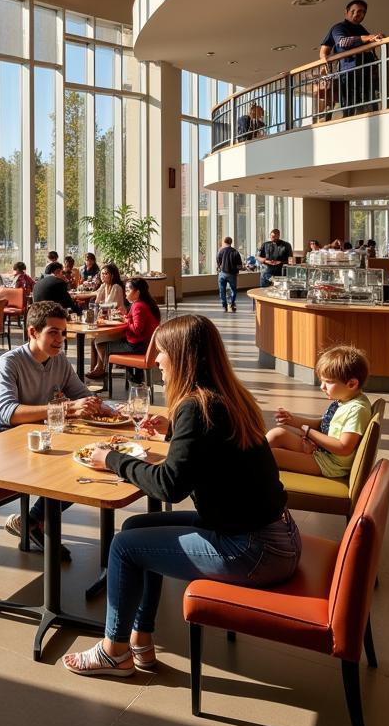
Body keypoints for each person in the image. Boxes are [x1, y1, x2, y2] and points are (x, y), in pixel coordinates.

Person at [62, 314, 299, 678]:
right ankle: (140, 639)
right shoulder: (227, 397)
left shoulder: (195, 406)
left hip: (253, 549)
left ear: (184, 356)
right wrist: (174, 431)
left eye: (162, 352)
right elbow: (214, 451)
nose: (155, 359)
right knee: (136, 527)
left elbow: (170, 485)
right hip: (276, 535)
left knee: (124, 547)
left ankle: (113, 651)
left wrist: (110, 458)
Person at [0, 301, 104, 560]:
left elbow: (81, 394)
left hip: (38, 435)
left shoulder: (58, 362)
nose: (61, 339)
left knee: (85, 463)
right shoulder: (9, 362)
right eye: (53, 332)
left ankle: (31, 521)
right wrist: (67, 408)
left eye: (63, 332)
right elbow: (8, 413)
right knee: (71, 467)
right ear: (33, 333)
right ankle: (34, 523)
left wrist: (112, 411)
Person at [266, 346, 372, 479]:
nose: (322, 387)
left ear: (351, 384)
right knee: (278, 433)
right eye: (322, 381)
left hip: (329, 464)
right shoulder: (346, 399)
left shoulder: (357, 410)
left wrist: (309, 433)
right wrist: (293, 420)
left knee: (273, 456)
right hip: (321, 450)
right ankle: (245, 461)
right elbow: (324, 423)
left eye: (328, 382)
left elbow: (344, 448)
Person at [320, 0, 384, 116]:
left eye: (361, 12)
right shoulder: (339, 28)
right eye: (353, 11)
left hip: (366, 73)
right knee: (349, 107)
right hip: (348, 73)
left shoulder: (361, 29)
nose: (356, 14)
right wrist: (324, 60)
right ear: (346, 12)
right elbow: (342, 42)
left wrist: (375, 38)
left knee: (370, 107)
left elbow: (370, 47)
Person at [105, 278, 160, 383]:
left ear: (137, 292)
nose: (125, 293)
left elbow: (137, 329)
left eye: (128, 290)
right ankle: (136, 376)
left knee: (105, 346)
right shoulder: (147, 303)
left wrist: (125, 319)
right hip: (147, 344)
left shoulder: (138, 306)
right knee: (117, 342)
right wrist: (126, 316)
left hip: (138, 346)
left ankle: (108, 382)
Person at [85, 264, 127, 378]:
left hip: (117, 324)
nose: (103, 276)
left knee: (98, 339)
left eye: (106, 273)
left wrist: (98, 303)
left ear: (112, 275)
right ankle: (96, 368)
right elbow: (97, 301)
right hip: (109, 321)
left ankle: (102, 368)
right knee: (94, 339)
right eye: (102, 273)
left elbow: (110, 305)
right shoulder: (104, 286)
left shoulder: (116, 287)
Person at [216, 236, 243, 313]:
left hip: (222, 273)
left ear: (224, 242)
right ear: (231, 242)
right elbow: (239, 266)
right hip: (232, 274)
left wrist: (220, 268)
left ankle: (224, 306)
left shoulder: (220, 251)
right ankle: (232, 303)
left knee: (222, 290)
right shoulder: (235, 252)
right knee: (233, 290)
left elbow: (218, 262)